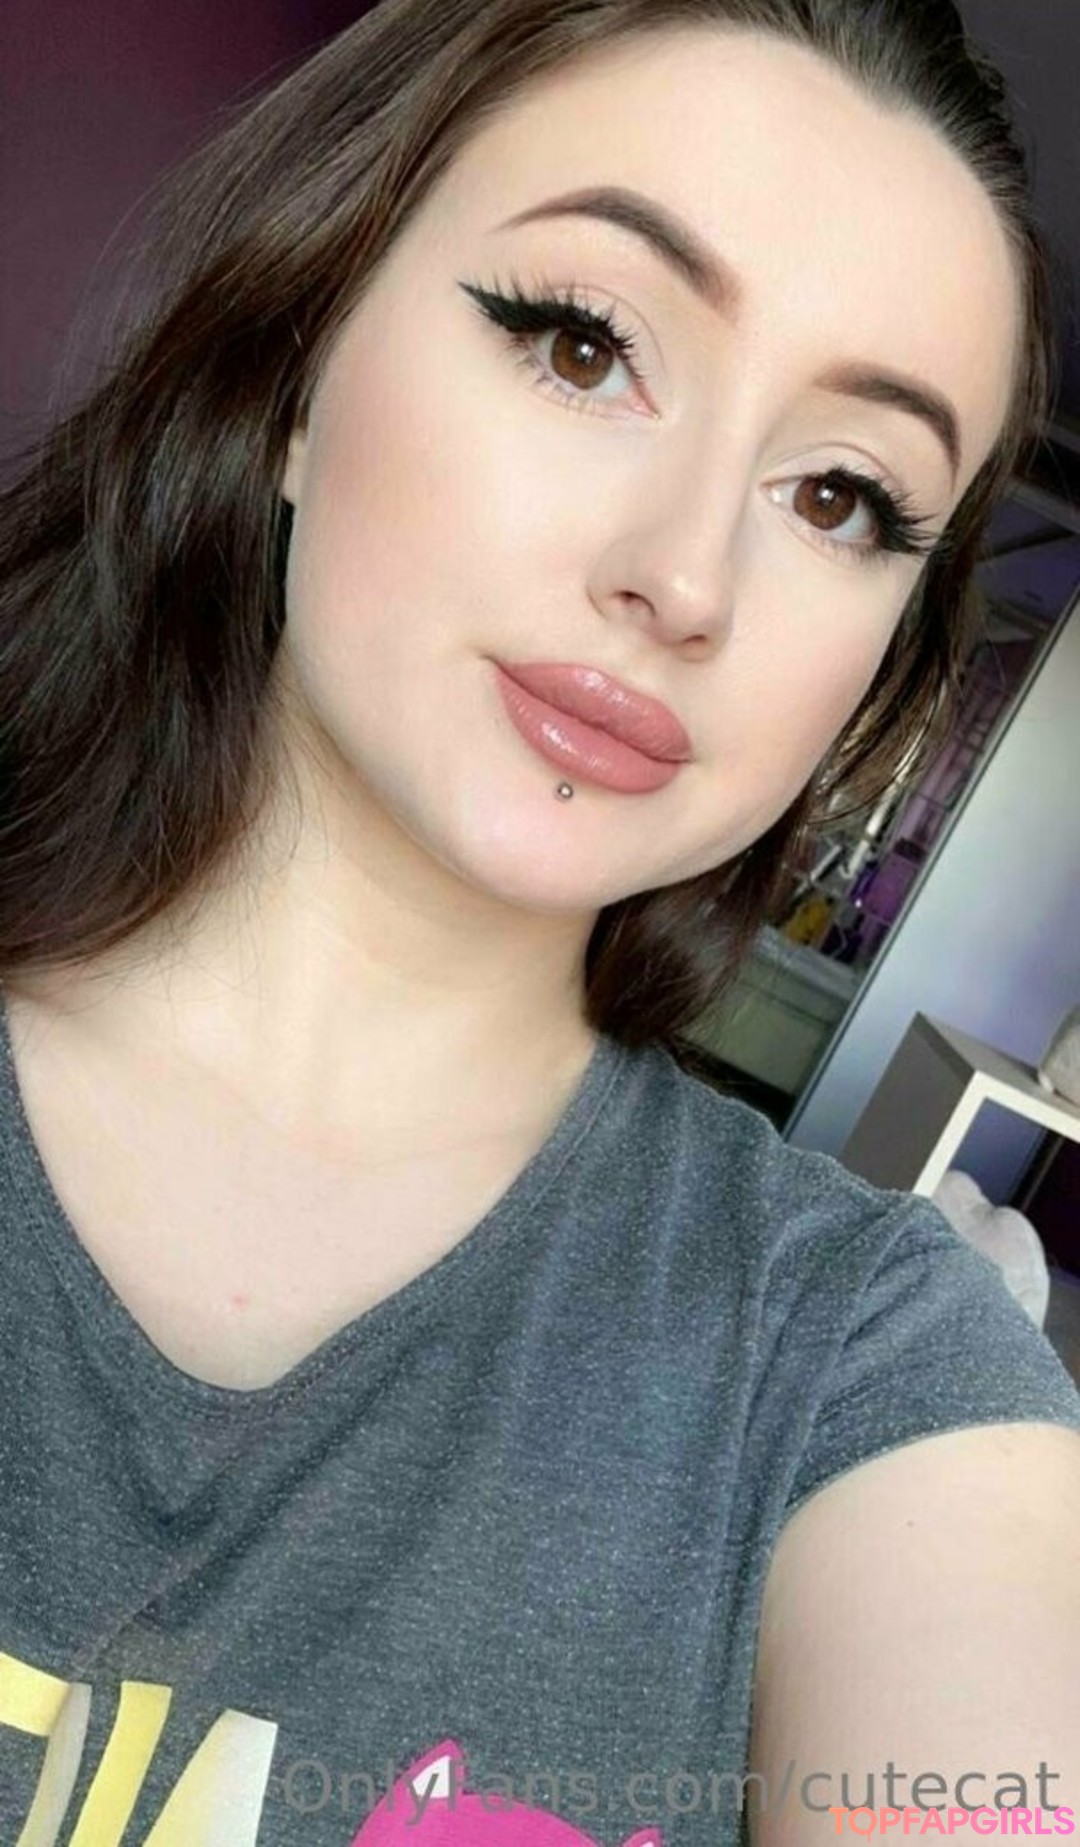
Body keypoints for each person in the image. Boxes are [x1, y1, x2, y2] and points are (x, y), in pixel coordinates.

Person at [1, 0, 1078, 1842]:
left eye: (840, 496)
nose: (684, 576)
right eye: (585, 345)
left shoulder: (865, 1365)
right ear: (299, 365)